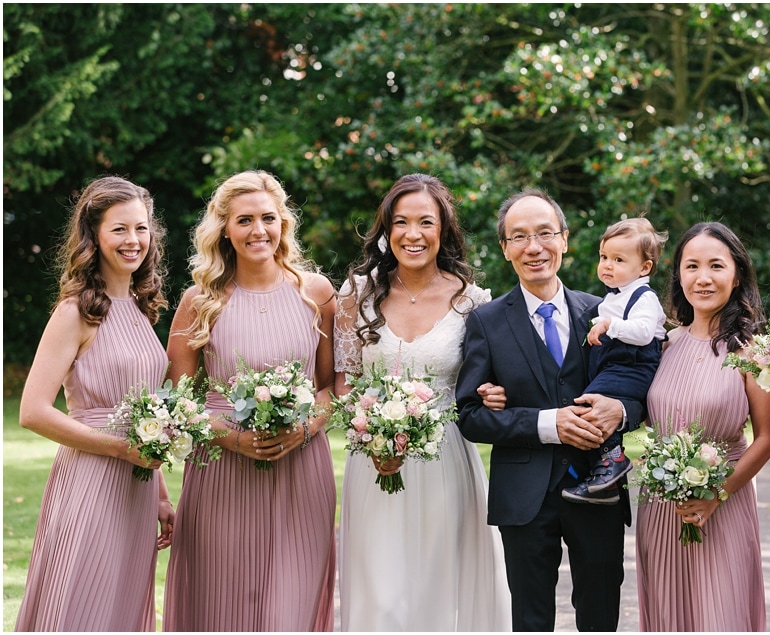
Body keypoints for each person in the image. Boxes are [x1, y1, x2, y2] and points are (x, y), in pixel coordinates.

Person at [334, 173, 510, 631]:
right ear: (387, 231)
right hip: (371, 461)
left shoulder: (473, 301)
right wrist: (371, 433)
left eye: (425, 222)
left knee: (439, 585)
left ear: (443, 230)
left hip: (446, 462)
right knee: (381, 592)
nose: (413, 234)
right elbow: (344, 388)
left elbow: (488, 384)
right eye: (401, 222)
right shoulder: (356, 294)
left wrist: (493, 394)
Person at [162, 170, 337, 631]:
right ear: (223, 229)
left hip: (301, 471)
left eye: (268, 218)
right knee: (222, 605)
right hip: (221, 471)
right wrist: (229, 436)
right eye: (244, 220)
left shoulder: (316, 293)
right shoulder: (199, 301)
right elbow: (178, 399)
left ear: (283, 223)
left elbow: (333, 387)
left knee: (290, 608)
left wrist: (305, 427)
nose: (258, 231)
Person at [455, 189, 637, 631]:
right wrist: (546, 424)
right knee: (531, 619)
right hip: (523, 497)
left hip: (598, 490)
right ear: (505, 249)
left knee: (600, 614)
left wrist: (623, 410)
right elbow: (470, 415)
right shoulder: (486, 322)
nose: (533, 247)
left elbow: (637, 386)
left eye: (544, 233)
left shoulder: (604, 312)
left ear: (565, 240)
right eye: (519, 237)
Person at [15, 176, 174, 631]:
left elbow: (146, 415)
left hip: (136, 488)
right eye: (119, 229)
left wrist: (160, 495)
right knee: (82, 603)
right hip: (90, 479)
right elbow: (33, 411)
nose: (133, 241)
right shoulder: (75, 311)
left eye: (141, 228)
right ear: (94, 235)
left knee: (120, 607)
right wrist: (120, 449)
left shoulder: (142, 310)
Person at [634, 221, 770, 631]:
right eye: (691, 266)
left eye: (716, 266)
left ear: (736, 275)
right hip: (662, 507)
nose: (703, 278)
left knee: (723, 614)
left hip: (725, 505)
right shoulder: (661, 344)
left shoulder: (753, 350)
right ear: (679, 275)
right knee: (669, 614)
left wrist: (716, 494)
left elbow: (767, 439)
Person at [561, 217, 668, 504]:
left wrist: (610, 325)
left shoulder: (644, 297)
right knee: (589, 402)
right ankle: (606, 481)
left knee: (591, 401)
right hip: (613, 362)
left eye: (619, 259)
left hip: (634, 364)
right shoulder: (612, 298)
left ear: (644, 268)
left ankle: (614, 461)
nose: (607, 265)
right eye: (604, 257)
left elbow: (645, 333)